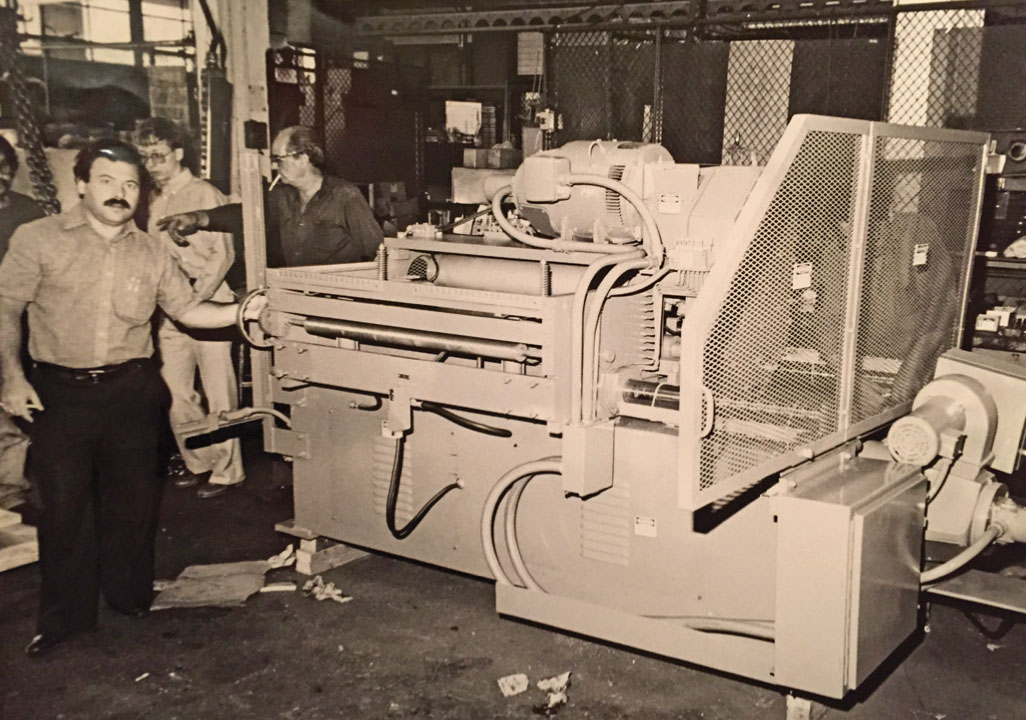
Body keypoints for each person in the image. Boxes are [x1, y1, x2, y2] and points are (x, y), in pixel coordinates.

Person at [0, 139, 263, 657]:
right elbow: (5, 308)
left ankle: (129, 597)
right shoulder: (39, 238)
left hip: (133, 390)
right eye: (106, 181)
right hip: (60, 392)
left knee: (134, 503)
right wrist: (10, 377)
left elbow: (189, 311)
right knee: (64, 509)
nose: (120, 194)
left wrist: (247, 315)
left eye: (130, 185)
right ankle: (65, 619)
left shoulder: (151, 250)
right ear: (80, 185)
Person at [135, 118, 243, 499]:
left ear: (178, 153)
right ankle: (199, 462)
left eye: (159, 156)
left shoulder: (204, 194)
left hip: (209, 302)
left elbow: (224, 253)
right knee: (177, 393)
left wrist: (196, 298)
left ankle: (228, 471)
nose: (152, 165)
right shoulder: (151, 200)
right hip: (168, 309)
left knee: (219, 392)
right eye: (145, 157)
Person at [156, 125, 383, 267]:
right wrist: (197, 218)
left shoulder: (345, 196)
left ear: (302, 159)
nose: (275, 166)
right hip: (297, 294)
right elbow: (243, 215)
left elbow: (376, 252)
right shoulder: (282, 197)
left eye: (279, 159)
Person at [0, 135, 45, 510]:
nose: (0, 175)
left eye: (5, 166)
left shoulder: (27, 212)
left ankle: (9, 488)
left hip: (13, 324)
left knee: (10, 409)